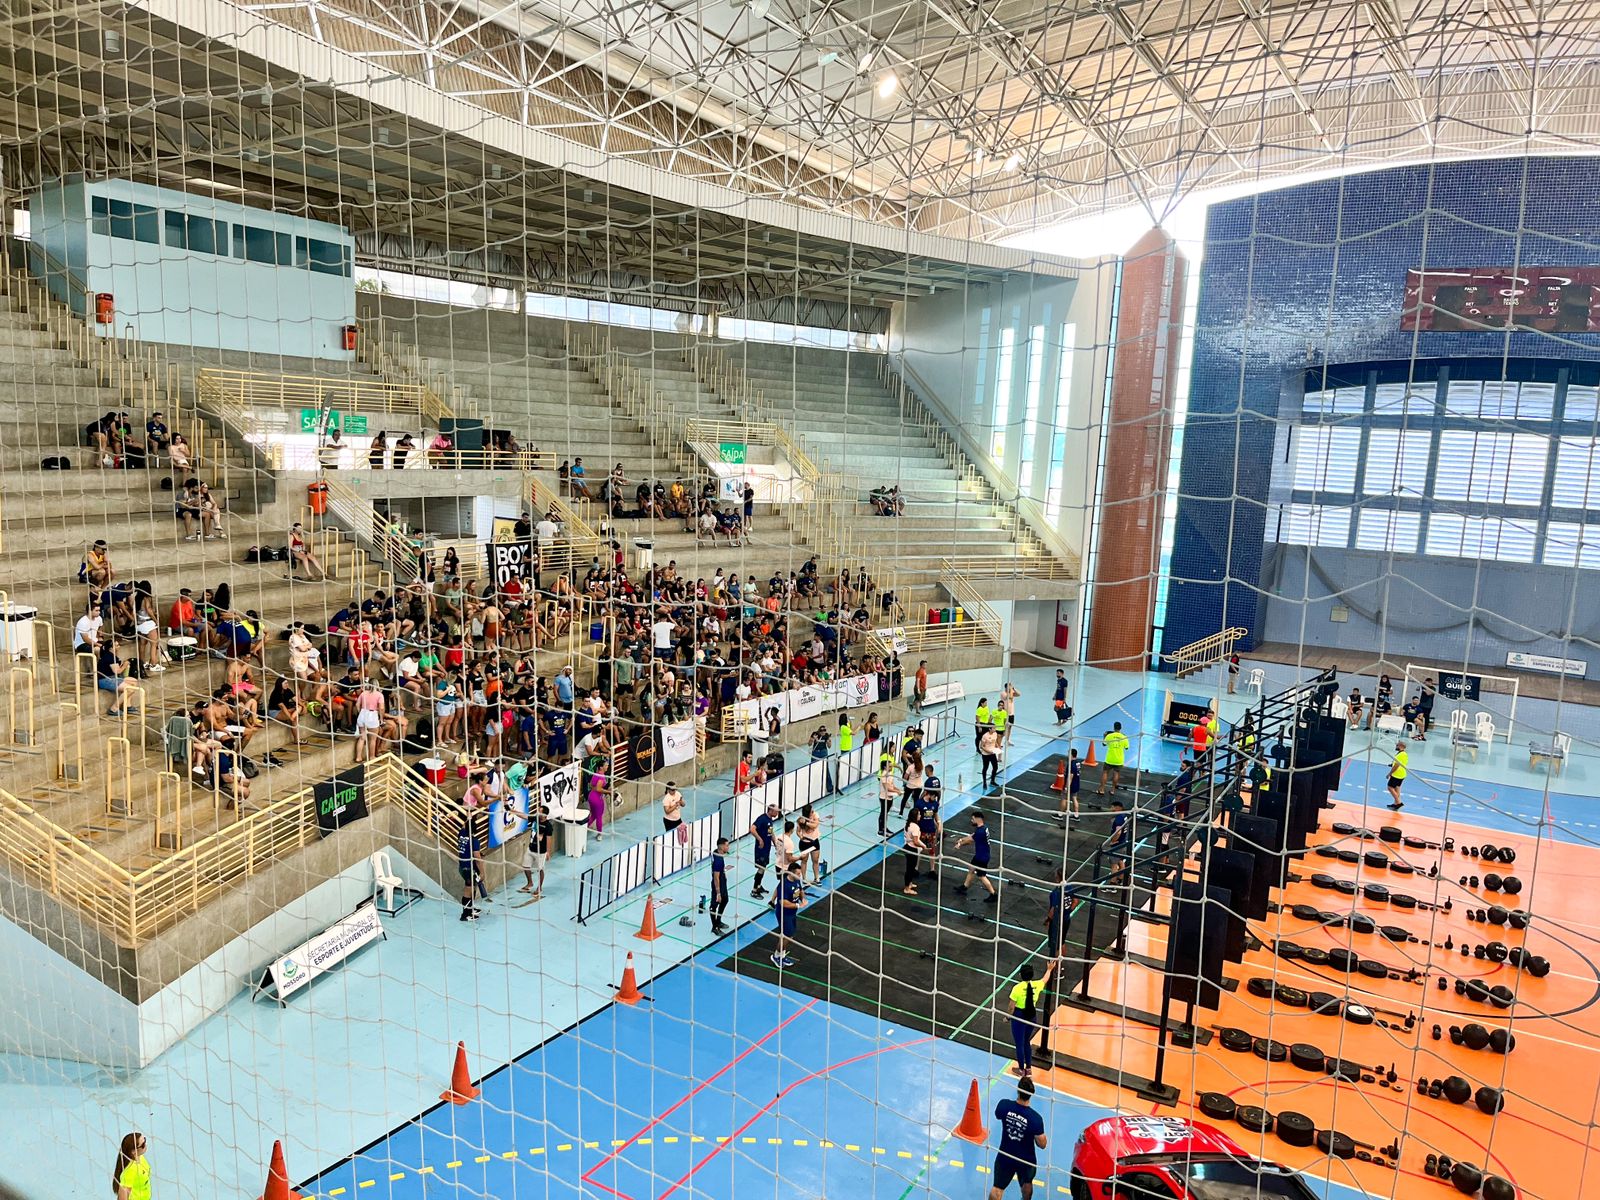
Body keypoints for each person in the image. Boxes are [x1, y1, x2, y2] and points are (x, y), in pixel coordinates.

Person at [988, 1078, 1047, 1200]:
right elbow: (1042, 1144)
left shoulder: (1004, 1105)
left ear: (1018, 1090)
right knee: (1027, 1185)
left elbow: (997, 1114)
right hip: (1026, 1161)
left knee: (997, 1189)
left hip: (1006, 1155)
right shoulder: (1035, 1119)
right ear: (1031, 1094)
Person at [1007, 960, 1054, 1079]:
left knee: (1019, 1044)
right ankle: (1028, 1069)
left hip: (1019, 1017)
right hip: (1032, 1017)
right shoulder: (1037, 985)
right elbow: (1045, 979)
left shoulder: (1017, 988)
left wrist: (1008, 1016)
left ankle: (1021, 1070)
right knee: (1026, 1041)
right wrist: (1049, 969)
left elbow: (1011, 1006)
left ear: (1021, 975)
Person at [955, 810, 997, 902]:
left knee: (982, 876)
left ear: (978, 819)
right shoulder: (983, 828)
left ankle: (993, 894)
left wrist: (960, 844)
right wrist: (961, 839)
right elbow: (972, 835)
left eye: (973, 819)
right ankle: (965, 886)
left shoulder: (980, 832)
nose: (971, 820)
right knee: (971, 869)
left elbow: (970, 840)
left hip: (981, 857)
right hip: (981, 855)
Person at [457, 807, 488, 920]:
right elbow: (477, 857)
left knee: (472, 888)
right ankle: (465, 915)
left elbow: (464, 826)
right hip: (469, 868)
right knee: (468, 890)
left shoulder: (461, 833)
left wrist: (469, 818)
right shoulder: (474, 841)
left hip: (463, 867)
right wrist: (483, 873)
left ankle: (470, 908)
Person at [772, 860, 804, 968]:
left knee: (790, 935)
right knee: (786, 936)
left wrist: (802, 899)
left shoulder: (796, 880)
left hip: (792, 913)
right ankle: (776, 956)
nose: (800, 876)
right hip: (784, 913)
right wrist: (798, 906)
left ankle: (782, 955)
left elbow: (800, 890)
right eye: (798, 873)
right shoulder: (784, 885)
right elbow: (783, 902)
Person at [519, 804, 553, 899]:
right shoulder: (535, 818)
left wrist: (548, 852)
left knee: (540, 869)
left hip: (540, 852)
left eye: (540, 811)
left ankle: (539, 888)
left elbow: (549, 839)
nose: (537, 812)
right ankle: (530, 883)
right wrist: (511, 810)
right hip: (530, 849)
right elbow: (524, 816)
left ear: (545, 815)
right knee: (525, 866)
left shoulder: (548, 826)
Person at [750, 800, 778, 898]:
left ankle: (758, 885)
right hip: (760, 849)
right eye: (776, 811)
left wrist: (775, 843)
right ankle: (754, 890)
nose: (777, 813)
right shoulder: (762, 819)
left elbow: (771, 832)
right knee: (761, 868)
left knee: (763, 867)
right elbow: (752, 829)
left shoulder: (770, 820)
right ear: (770, 811)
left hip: (767, 848)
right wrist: (760, 839)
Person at [113, 1131, 152, 1200]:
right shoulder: (130, 1171)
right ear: (133, 1151)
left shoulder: (140, 1157)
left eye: (145, 1140)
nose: (145, 1145)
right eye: (142, 1145)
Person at [1099, 722, 1129, 793]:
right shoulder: (1124, 737)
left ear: (1114, 727)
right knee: (1116, 774)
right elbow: (1127, 748)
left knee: (1105, 772)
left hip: (1109, 759)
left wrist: (1104, 736)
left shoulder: (1109, 736)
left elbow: (1104, 744)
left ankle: (1102, 789)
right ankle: (1112, 790)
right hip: (1119, 760)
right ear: (1120, 728)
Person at [709, 835, 731, 934]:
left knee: (725, 899)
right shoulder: (718, 861)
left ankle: (718, 921)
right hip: (718, 884)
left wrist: (724, 874)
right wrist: (718, 893)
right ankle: (715, 927)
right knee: (714, 905)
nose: (728, 847)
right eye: (727, 845)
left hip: (722, 880)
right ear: (721, 846)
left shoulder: (716, 852)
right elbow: (716, 877)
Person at [1386, 740, 1409, 810]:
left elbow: (1397, 765)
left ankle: (1399, 802)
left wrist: (1390, 773)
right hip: (1402, 774)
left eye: (1397, 745)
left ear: (1401, 746)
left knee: (1390, 787)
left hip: (1397, 774)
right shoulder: (1404, 754)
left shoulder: (1401, 754)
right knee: (1397, 788)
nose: (1396, 746)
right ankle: (1396, 803)